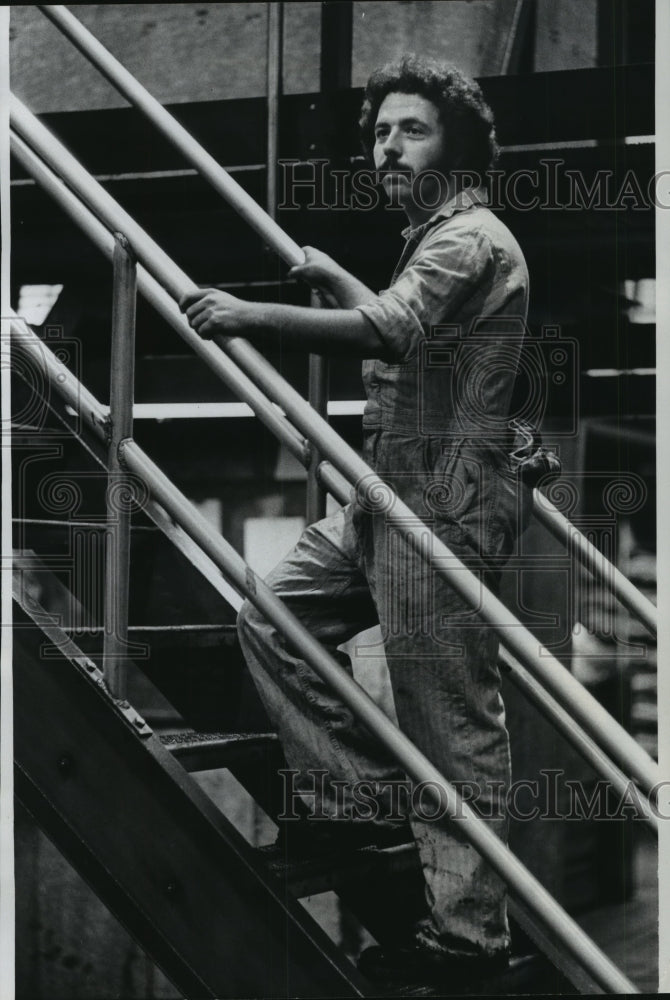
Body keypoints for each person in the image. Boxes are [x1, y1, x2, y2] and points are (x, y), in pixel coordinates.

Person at [181, 54, 532, 988]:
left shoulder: (470, 238)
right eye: (380, 132)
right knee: (273, 612)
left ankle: (471, 940)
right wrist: (340, 276)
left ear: (455, 144)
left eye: (409, 129)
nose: (386, 146)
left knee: (451, 722)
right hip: (387, 494)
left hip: (443, 509)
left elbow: (389, 331)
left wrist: (252, 313)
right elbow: (399, 324)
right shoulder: (431, 239)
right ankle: (363, 795)